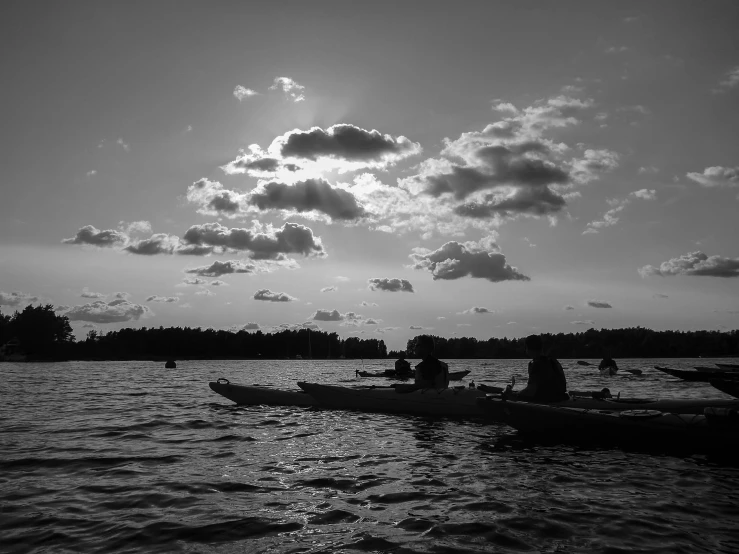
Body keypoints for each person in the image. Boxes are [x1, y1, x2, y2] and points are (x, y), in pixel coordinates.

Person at [509, 334, 568, 402]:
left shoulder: (537, 364)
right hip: (561, 397)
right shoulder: (553, 361)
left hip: (547, 400)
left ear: (528, 349)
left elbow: (531, 390)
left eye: (526, 348)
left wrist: (516, 394)